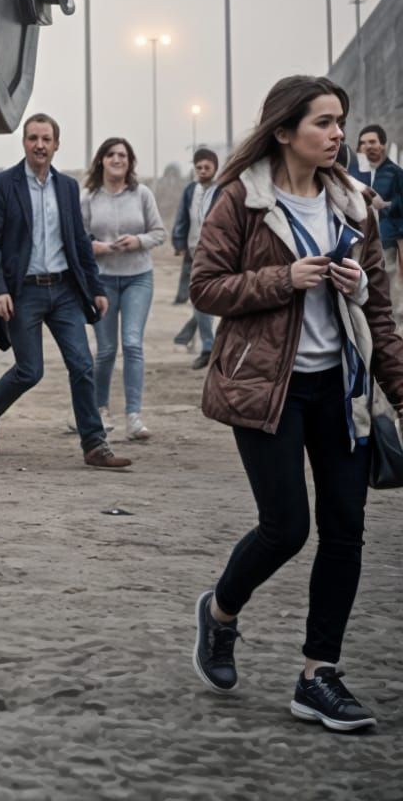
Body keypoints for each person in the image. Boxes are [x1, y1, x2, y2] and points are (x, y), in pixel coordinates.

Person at [190, 75, 403, 733]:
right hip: (266, 388)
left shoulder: (355, 205)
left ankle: (318, 675)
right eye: (323, 122)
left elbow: (380, 312)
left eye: (341, 121)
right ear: (285, 130)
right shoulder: (241, 199)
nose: (338, 133)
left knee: (345, 529)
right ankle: (220, 614)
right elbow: (206, 287)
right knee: (286, 528)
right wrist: (285, 278)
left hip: (342, 390)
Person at [0, 113, 132, 468]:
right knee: (30, 371)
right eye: (33, 138)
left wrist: (95, 287)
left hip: (64, 292)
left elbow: (77, 241)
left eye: (46, 139)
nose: (39, 145)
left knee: (82, 364)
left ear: (56, 144)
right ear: (24, 143)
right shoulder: (3, 184)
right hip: (22, 293)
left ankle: (94, 444)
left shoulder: (68, 188)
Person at [81, 137, 167, 441]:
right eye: (112, 154)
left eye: (123, 155)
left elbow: (159, 233)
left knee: (132, 344)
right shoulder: (89, 197)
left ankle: (134, 416)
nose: (118, 159)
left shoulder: (141, 194)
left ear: (130, 163)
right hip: (102, 280)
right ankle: (101, 410)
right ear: (102, 160)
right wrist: (97, 247)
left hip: (138, 277)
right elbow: (77, 240)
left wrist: (138, 241)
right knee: (105, 350)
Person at [171, 149, 221, 368]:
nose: (202, 171)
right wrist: (179, 243)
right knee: (201, 300)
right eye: (198, 167)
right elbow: (182, 217)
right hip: (194, 253)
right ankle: (207, 347)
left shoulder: (223, 191)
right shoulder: (190, 190)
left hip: (217, 254)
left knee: (206, 301)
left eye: (206, 167)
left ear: (215, 168)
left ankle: (185, 337)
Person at [349, 124, 402, 309]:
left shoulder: (395, 173)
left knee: (386, 280)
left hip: (386, 240)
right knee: (359, 280)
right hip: (357, 239)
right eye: (362, 143)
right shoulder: (352, 172)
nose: (367, 146)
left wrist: (385, 207)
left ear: (383, 145)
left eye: (372, 142)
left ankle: (392, 319)